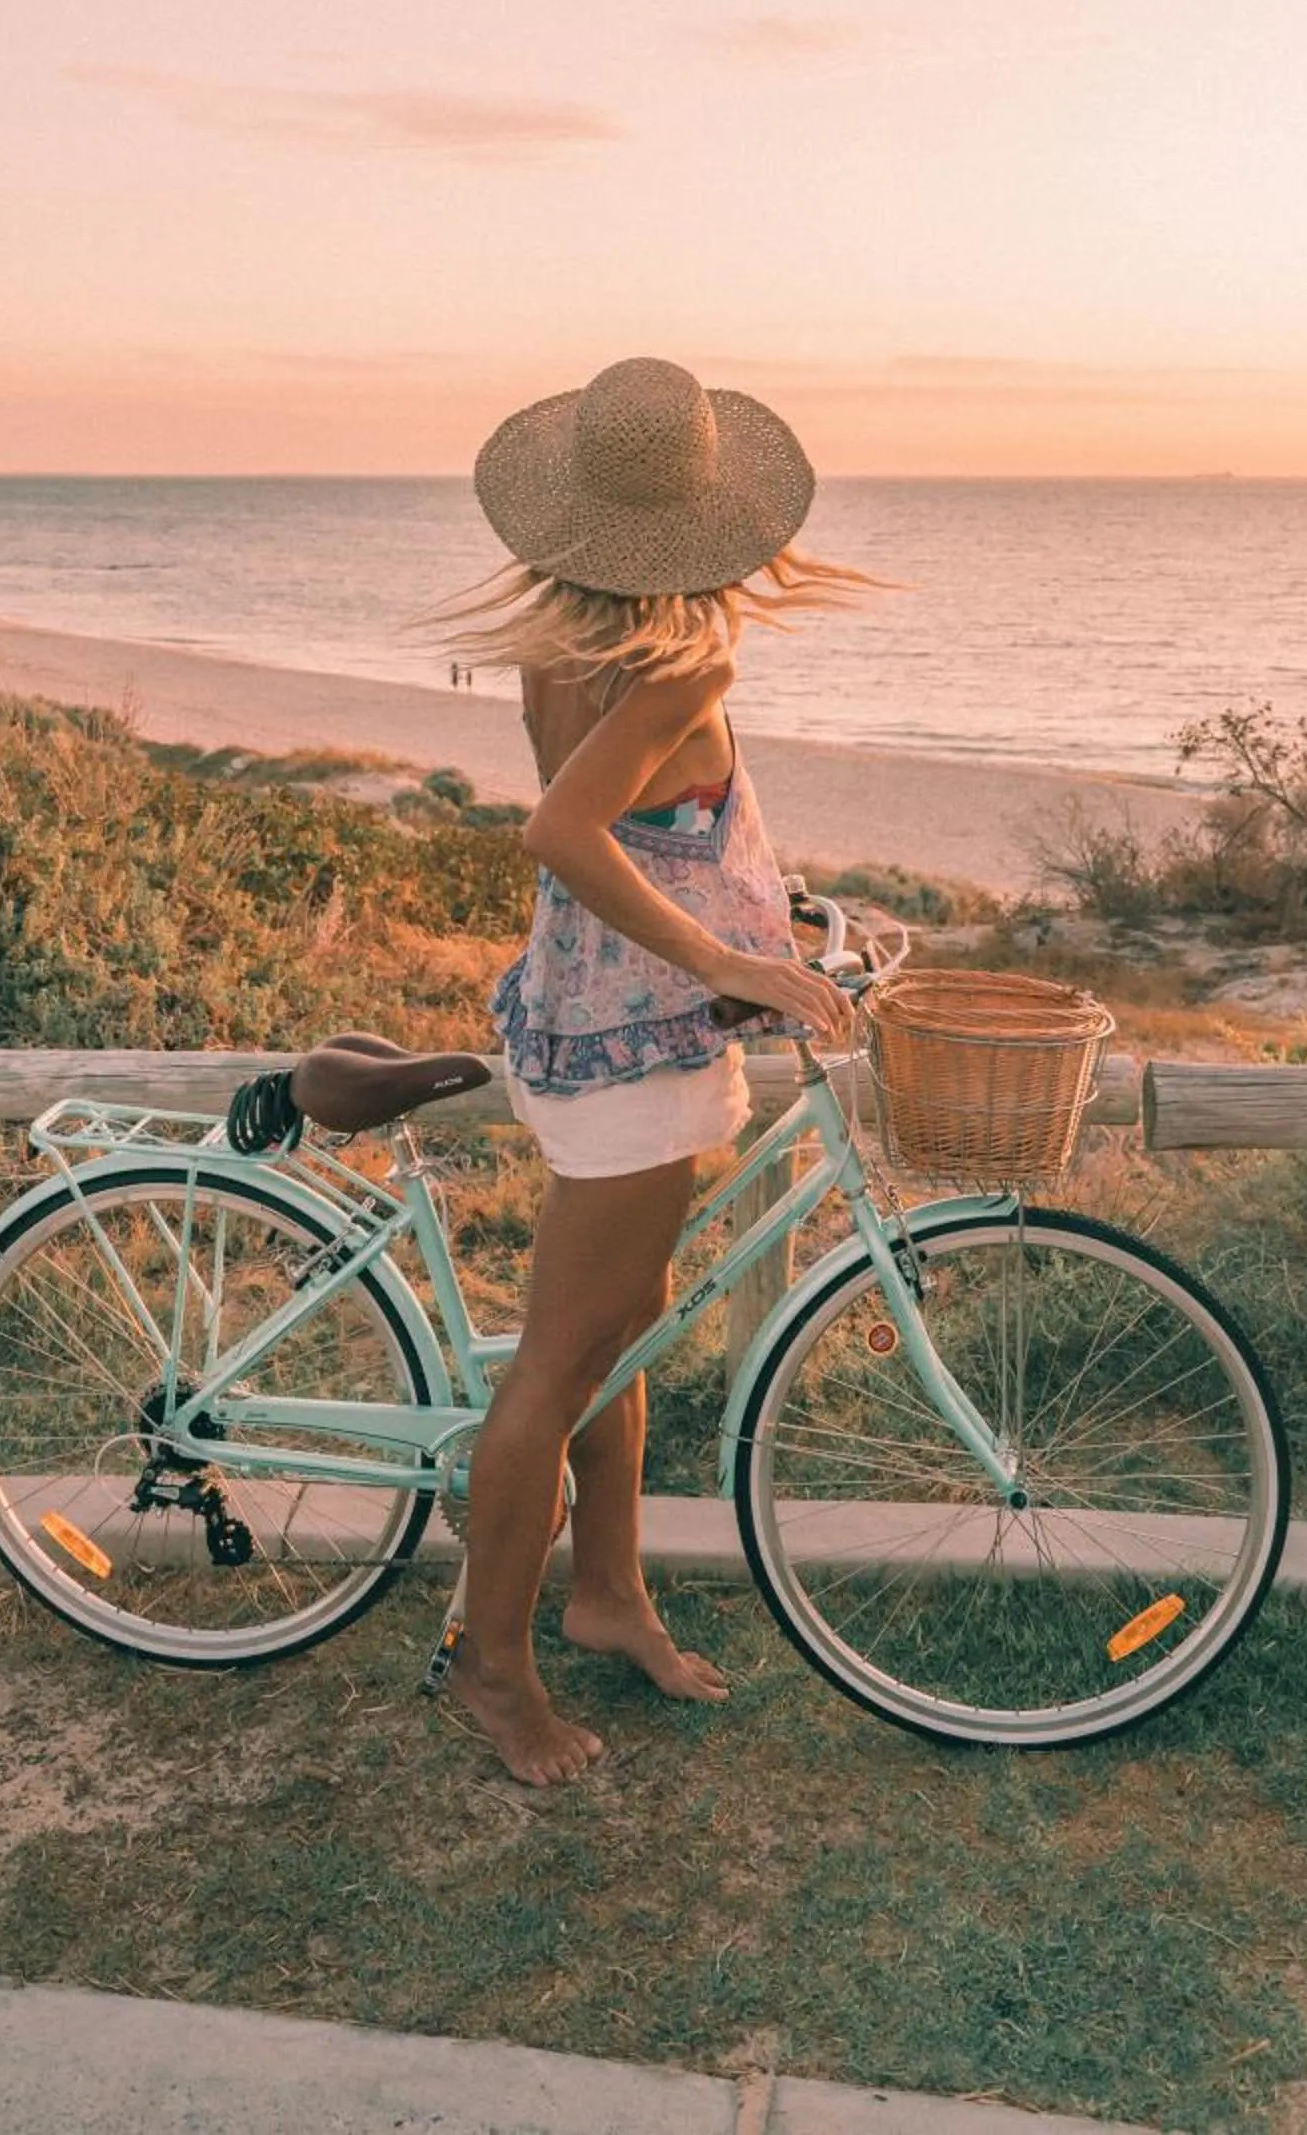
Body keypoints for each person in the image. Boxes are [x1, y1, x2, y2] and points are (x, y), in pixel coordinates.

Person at [433, 357, 865, 1785]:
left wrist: (766, 917)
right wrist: (736, 964)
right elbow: (566, 832)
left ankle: (607, 1591)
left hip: (593, 1022)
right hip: (636, 1051)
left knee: (621, 1331)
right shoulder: (689, 658)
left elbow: (654, 831)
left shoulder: (563, 646)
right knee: (559, 1368)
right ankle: (492, 1673)